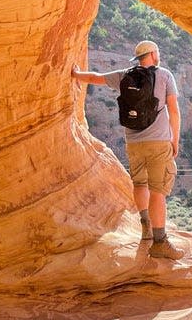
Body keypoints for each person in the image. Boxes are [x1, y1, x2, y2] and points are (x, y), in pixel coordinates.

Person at [72, 39, 184, 260]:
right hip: (158, 143)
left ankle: (146, 228)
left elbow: (95, 77)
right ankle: (160, 242)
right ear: (153, 54)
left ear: (138, 58)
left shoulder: (125, 75)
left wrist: (76, 74)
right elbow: (174, 111)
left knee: (140, 184)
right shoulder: (164, 75)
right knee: (158, 191)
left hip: (133, 142)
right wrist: (175, 140)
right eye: (157, 52)